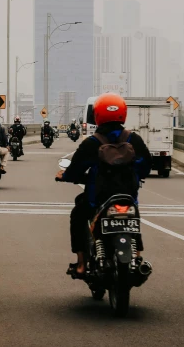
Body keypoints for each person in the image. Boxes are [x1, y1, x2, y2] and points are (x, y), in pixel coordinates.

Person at [56, 93, 151, 277]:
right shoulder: (133, 139)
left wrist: (64, 176)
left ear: (97, 115)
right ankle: (137, 258)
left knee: (78, 215)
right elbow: (146, 165)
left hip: (98, 200)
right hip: (128, 197)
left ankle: (82, 264)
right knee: (133, 220)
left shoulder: (92, 142)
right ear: (123, 113)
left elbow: (75, 170)